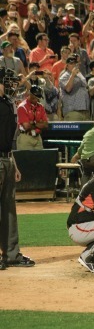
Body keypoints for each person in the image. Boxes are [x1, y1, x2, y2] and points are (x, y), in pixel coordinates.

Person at [0, 67, 35, 270]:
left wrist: (14, 163)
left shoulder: (7, 103)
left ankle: (12, 255)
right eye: (8, 82)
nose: (13, 86)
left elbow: (6, 138)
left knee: (9, 211)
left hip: (6, 160)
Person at [16, 85, 48, 150]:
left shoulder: (40, 107)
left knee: (40, 159)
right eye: (35, 97)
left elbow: (45, 125)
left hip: (38, 138)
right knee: (26, 159)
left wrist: (33, 123)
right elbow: (26, 126)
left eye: (38, 97)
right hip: (26, 138)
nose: (37, 99)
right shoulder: (22, 107)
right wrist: (39, 123)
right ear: (30, 94)